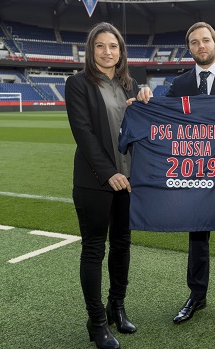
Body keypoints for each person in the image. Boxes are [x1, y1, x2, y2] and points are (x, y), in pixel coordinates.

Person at [136, 21, 215, 327]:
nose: (200, 46)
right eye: (194, 42)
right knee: (197, 234)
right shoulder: (180, 84)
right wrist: (142, 96)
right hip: (195, 169)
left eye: (205, 40)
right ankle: (197, 295)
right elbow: (160, 110)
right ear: (189, 48)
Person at [65, 22, 138, 349]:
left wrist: (145, 99)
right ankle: (96, 322)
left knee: (122, 245)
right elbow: (83, 133)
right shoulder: (77, 83)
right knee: (95, 249)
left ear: (121, 51)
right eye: (100, 46)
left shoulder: (129, 84)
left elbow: (139, 130)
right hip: (95, 182)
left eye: (113, 46)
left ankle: (116, 308)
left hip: (128, 181)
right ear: (90, 50)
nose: (107, 52)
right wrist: (109, 172)